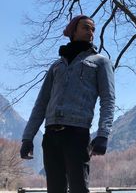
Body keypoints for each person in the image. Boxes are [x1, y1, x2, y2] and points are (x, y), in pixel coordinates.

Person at [20, 15, 115, 193]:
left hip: (77, 134)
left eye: (93, 29)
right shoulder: (57, 65)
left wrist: (103, 134)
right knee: (55, 189)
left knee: (79, 188)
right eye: (86, 28)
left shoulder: (101, 62)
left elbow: (108, 99)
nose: (91, 32)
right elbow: (41, 103)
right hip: (51, 136)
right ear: (73, 31)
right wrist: (27, 138)